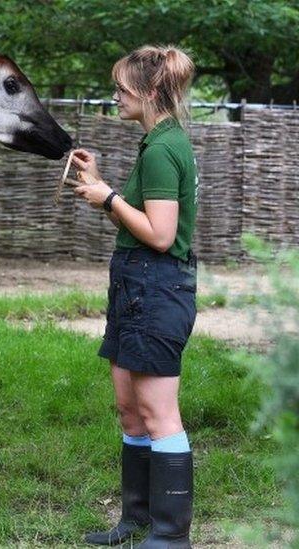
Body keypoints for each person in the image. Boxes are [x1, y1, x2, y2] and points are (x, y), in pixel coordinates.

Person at [70, 45, 198, 549]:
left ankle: (170, 535)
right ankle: (136, 523)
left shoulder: (166, 148)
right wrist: (101, 187)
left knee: (157, 410)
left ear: (149, 92)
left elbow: (162, 235)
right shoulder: (156, 142)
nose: (115, 96)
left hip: (157, 285)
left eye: (122, 88)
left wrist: (109, 198)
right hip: (134, 281)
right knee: (129, 407)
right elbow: (138, 224)